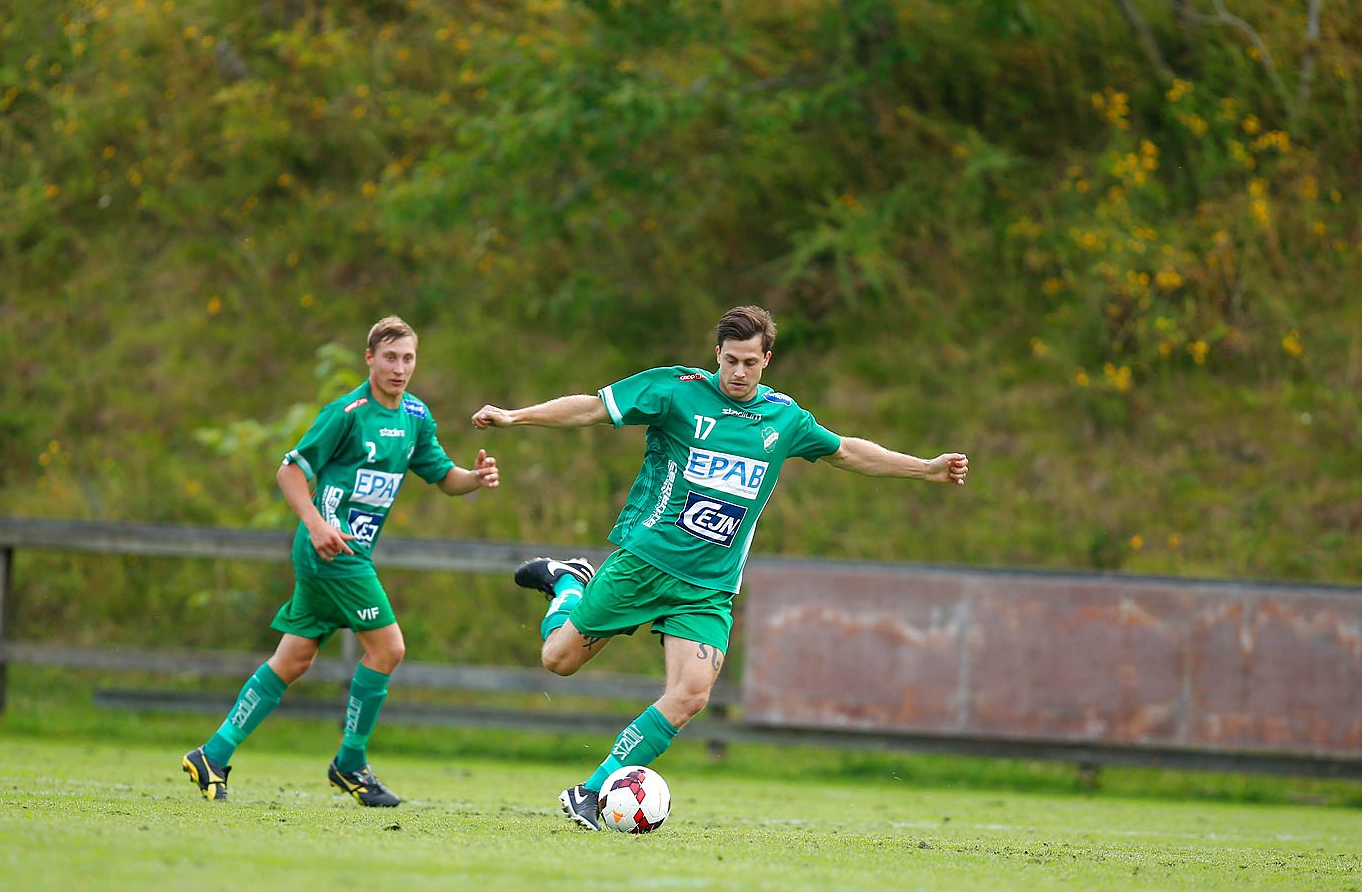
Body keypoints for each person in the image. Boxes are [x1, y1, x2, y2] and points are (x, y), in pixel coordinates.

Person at [472, 305, 967, 829]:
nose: (737, 372)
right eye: (730, 360)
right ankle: (569, 583)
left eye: (749, 362)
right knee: (558, 660)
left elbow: (846, 452)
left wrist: (925, 469)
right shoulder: (676, 390)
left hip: (707, 588)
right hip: (644, 563)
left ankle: (592, 792)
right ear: (717, 355)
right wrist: (515, 416)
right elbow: (593, 409)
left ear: (766, 360)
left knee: (691, 695)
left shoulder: (784, 419)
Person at [183, 315, 500, 806]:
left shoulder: (415, 416)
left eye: (408, 358)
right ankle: (350, 764)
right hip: (333, 552)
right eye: (390, 357)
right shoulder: (347, 413)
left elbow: (443, 476)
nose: (399, 368)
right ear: (369, 358)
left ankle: (213, 753)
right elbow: (289, 473)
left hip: (347, 553)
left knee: (294, 659)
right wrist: (316, 524)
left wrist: (473, 478)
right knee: (388, 648)